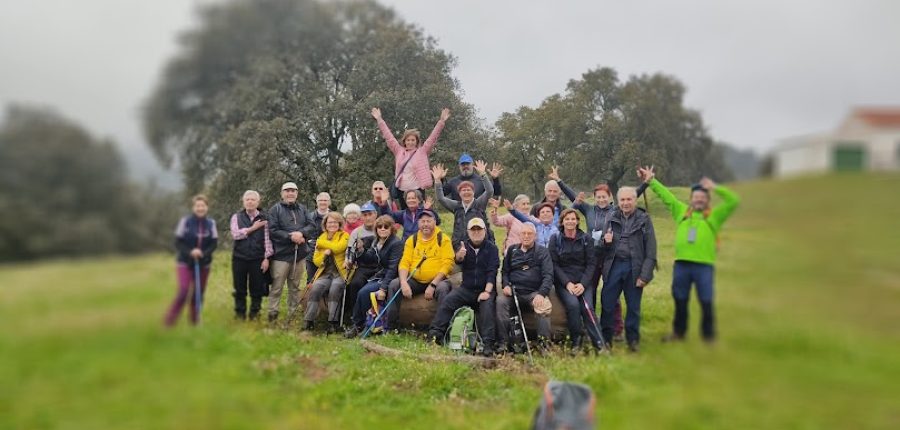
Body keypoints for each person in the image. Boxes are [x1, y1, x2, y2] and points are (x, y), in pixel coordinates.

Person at [639, 166, 740, 343]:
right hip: (682, 265)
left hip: (704, 266)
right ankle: (679, 333)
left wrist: (715, 188)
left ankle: (708, 336)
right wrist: (651, 180)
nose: (699, 200)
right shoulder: (683, 212)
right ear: (691, 199)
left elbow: (733, 201)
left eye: (702, 198)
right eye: (696, 197)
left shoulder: (714, 216)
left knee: (706, 300)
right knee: (680, 298)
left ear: (707, 200)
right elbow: (667, 197)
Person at [427, 218, 500, 356]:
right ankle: (435, 335)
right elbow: (457, 262)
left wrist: (487, 291)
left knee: (487, 308)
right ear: (468, 232)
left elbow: (492, 271)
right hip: (466, 288)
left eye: (479, 229)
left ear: (485, 231)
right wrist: (459, 257)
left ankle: (488, 343)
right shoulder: (463, 247)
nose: (476, 232)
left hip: (485, 289)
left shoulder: (492, 248)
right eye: (473, 230)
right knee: (448, 302)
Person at [598, 186, 657, 352]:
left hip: (634, 266)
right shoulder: (611, 216)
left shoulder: (644, 219)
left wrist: (645, 275)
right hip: (614, 266)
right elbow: (603, 246)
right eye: (622, 200)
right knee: (607, 304)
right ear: (618, 201)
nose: (625, 203)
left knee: (633, 306)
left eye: (628, 199)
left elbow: (651, 249)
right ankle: (606, 340)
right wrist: (606, 241)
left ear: (635, 200)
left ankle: (633, 341)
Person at [386, 210, 454, 329]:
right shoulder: (412, 240)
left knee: (443, 289)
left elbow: (448, 264)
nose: (425, 224)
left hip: (437, 280)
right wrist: (403, 282)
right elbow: (404, 262)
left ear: (435, 222)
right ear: (418, 223)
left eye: (429, 221)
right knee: (394, 284)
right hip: (415, 280)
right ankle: (391, 327)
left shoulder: (443, 239)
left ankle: (440, 329)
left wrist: (433, 285)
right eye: (422, 221)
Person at [549, 209, 605, 354]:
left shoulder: (586, 239)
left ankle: (599, 343)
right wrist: (567, 283)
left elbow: (592, 263)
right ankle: (576, 341)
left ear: (578, 221)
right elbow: (554, 264)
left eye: (573, 219)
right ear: (562, 222)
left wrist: (583, 284)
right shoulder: (555, 239)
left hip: (583, 281)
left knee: (587, 308)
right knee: (573, 305)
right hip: (564, 282)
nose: (570, 222)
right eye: (567, 219)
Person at [372, 107, 450, 209]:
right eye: (408, 140)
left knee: (419, 214)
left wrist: (441, 121)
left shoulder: (422, 151)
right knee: (405, 215)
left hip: (417, 189)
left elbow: (432, 137)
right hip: (402, 190)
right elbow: (388, 136)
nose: (410, 142)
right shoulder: (399, 151)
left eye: (413, 140)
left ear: (417, 141)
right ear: (404, 141)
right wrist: (379, 119)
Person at [497, 223, 554, 353]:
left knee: (543, 305)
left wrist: (541, 293)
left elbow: (548, 275)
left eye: (530, 234)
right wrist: (505, 285)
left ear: (535, 235)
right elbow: (505, 271)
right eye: (524, 233)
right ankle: (503, 343)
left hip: (534, 293)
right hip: (514, 292)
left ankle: (544, 345)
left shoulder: (542, 252)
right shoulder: (512, 250)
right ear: (519, 235)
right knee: (500, 302)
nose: (526, 236)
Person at [344, 215, 404, 338]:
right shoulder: (377, 241)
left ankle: (364, 325)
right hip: (380, 274)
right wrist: (360, 250)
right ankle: (359, 324)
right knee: (362, 292)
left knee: (365, 292)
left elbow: (393, 268)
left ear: (391, 229)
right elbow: (370, 258)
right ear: (376, 229)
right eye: (379, 227)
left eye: (386, 227)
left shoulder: (396, 243)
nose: (382, 229)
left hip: (392, 277)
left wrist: (383, 288)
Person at [165, 195, 218, 327]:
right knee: (183, 291)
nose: (200, 208)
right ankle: (169, 321)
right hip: (185, 262)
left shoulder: (211, 223)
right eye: (197, 206)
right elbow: (178, 242)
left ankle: (194, 321)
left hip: (204, 263)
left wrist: (202, 254)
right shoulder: (185, 222)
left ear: (207, 207)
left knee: (198, 293)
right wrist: (190, 252)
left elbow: (213, 243)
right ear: (193, 207)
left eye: (203, 206)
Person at [267, 182, 316, 323]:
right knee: (277, 287)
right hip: (281, 256)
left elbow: (311, 225)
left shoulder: (303, 209)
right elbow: (272, 230)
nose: (290, 193)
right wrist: (290, 236)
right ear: (282, 194)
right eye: (287, 191)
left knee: (294, 287)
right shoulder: (275, 210)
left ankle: (292, 314)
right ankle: (273, 314)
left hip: (299, 255)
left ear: (297, 193)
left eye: (293, 191)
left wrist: (301, 233)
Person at [229, 190, 274, 320]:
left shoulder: (264, 218)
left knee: (257, 288)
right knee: (239, 287)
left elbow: (268, 240)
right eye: (247, 199)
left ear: (258, 202)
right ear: (243, 202)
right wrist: (253, 228)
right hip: (239, 258)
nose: (249, 201)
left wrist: (267, 258)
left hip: (258, 258)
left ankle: (255, 314)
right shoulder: (236, 217)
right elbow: (236, 235)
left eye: (252, 199)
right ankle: (240, 313)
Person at [432, 161, 496, 248]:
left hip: (480, 244)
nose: (466, 192)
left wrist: (483, 174)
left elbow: (489, 191)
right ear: (459, 193)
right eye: (463, 190)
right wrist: (437, 181)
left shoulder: (479, 203)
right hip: (460, 245)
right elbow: (441, 198)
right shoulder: (456, 206)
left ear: (473, 192)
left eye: (469, 190)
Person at [304, 212, 350, 333]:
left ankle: (332, 323)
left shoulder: (344, 235)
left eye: (335, 222)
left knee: (335, 288)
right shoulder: (322, 236)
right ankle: (309, 321)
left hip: (340, 273)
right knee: (315, 288)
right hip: (326, 273)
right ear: (325, 224)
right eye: (330, 222)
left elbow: (338, 248)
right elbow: (316, 261)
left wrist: (322, 245)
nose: (332, 224)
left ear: (339, 223)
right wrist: (324, 255)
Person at [343, 203, 379, 318]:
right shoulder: (356, 232)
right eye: (364, 215)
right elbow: (350, 250)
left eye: (370, 214)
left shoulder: (382, 229)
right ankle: (356, 315)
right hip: (363, 266)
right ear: (361, 217)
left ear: (375, 215)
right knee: (355, 284)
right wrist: (348, 260)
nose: (368, 217)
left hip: (380, 266)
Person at [306, 192, 332, 282]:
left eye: (325, 200)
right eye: (320, 200)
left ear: (329, 202)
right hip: (312, 253)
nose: (323, 202)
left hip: (330, 253)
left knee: (328, 279)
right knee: (311, 280)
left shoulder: (335, 216)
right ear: (317, 202)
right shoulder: (309, 217)